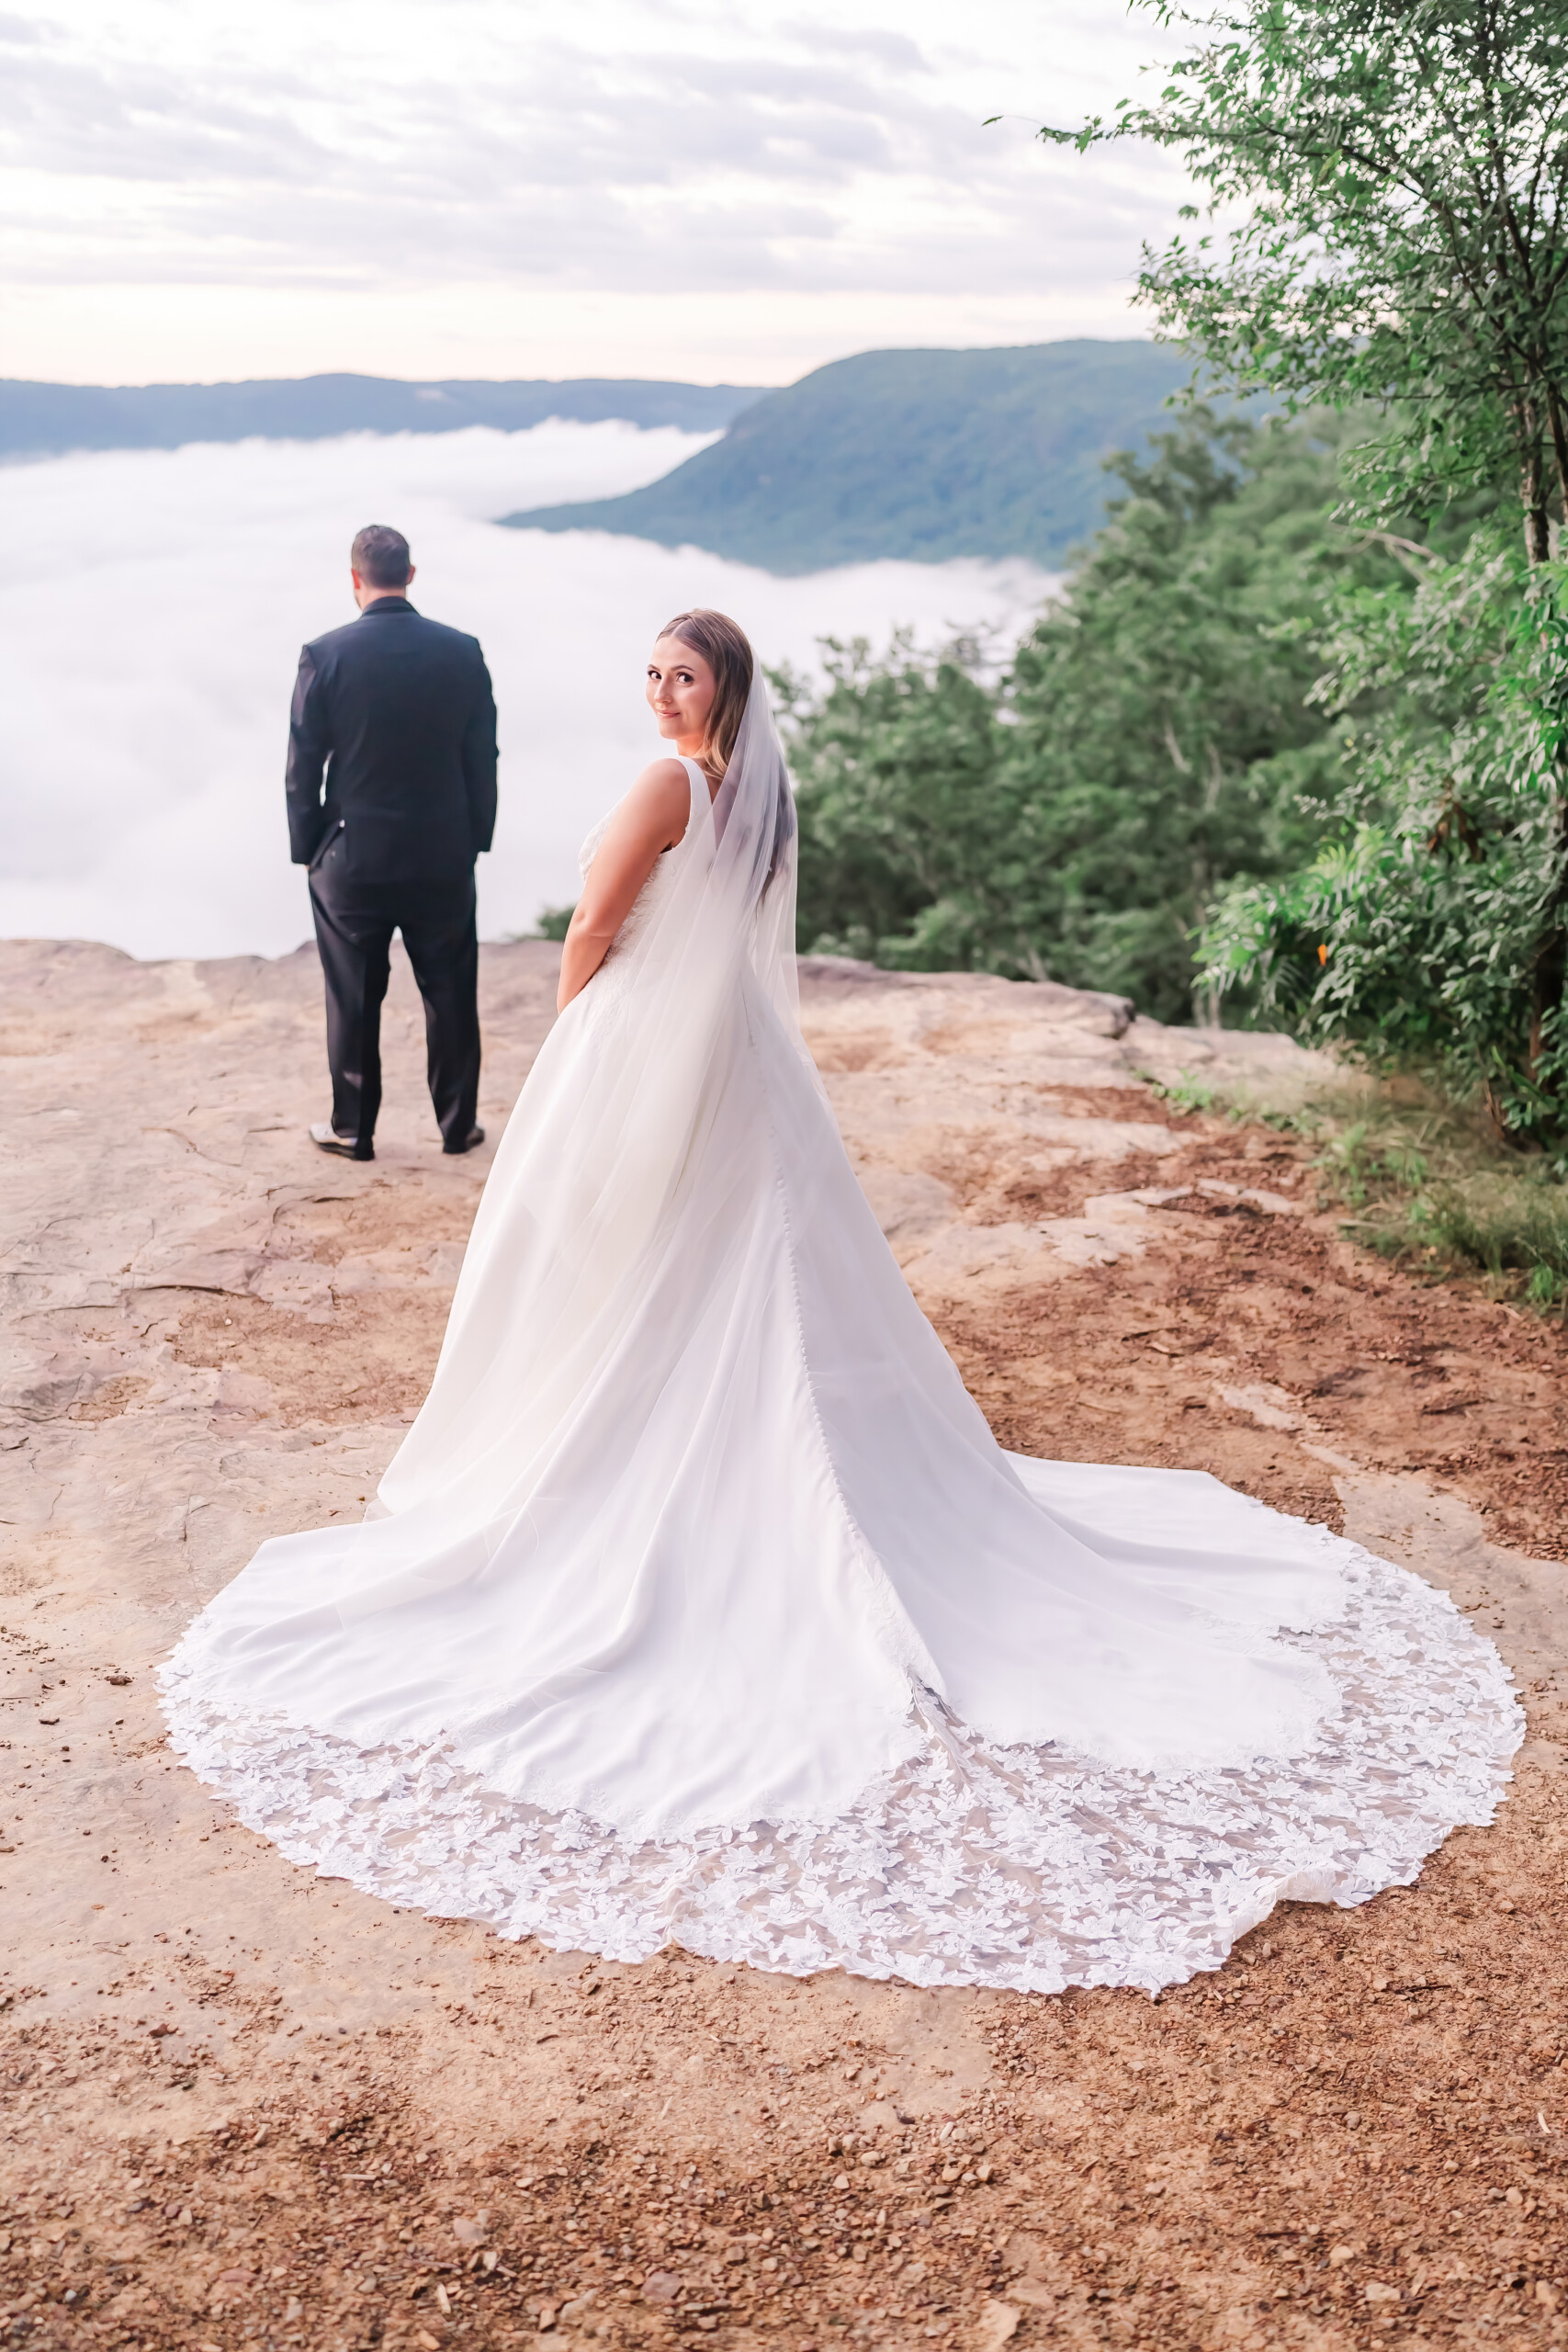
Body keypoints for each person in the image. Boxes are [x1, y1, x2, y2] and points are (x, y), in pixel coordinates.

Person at [164, 610, 1520, 1996]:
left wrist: (576, 1031)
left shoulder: (668, 783)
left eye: (679, 676)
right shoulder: (757, 785)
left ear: (722, 691)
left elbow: (598, 925)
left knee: (638, 1254)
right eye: (648, 673)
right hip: (739, 1049)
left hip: (648, 1038)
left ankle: (630, 1458)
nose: (658, 693)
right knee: (743, 1264)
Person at [285, 524, 498, 1162]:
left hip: (353, 859)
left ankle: (352, 1129)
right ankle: (457, 1128)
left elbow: (303, 767)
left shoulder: (325, 655)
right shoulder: (462, 651)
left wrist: (311, 850)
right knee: (451, 993)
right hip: (441, 857)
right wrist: (472, 842)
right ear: (410, 575)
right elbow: (479, 759)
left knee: (352, 995)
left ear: (355, 580)